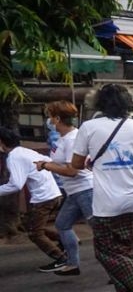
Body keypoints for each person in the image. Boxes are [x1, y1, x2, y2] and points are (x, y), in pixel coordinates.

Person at [71, 84, 133, 292]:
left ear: (98, 103)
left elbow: (76, 164)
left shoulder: (88, 128)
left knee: (106, 251)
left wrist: (94, 161)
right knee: (132, 249)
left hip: (108, 203)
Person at [34, 101, 94, 276]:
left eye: (50, 116)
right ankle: (72, 263)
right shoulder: (62, 139)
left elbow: (72, 170)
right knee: (62, 224)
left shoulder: (73, 139)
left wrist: (46, 166)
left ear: (58, 118)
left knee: (101, 231)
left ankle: (119, 266)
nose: (49, 120)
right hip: (74, 192)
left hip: (85, 190)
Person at [0, 127, 65, 271]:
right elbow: (48, 160)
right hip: (53, 193)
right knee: (31, 224)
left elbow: (16, 185)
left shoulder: (14, 157)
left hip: (43, 198)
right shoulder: (27, 152)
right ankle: (64, 241)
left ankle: (61, 258)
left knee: (35, 233)